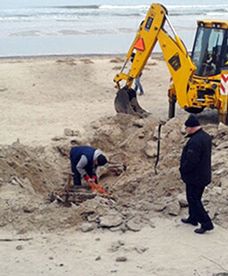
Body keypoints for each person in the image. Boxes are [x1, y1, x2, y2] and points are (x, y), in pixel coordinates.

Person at [179, 114, 214, 234]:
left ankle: (206, 223)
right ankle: (193, 218)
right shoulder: (206, 137)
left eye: (187, 128)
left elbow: (191, 161)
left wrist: (183, 170)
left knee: (194, 199)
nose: (186, 130)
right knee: (194, 198)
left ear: (192, 127)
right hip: (203, 174)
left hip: (195, 177)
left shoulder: (195, 141)